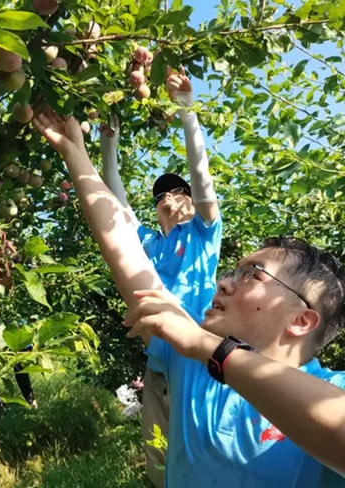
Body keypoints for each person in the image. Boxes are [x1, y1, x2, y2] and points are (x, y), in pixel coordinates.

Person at [32, 109, 345, 486]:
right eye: (232, 272)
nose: (224, 283)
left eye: (251, 275)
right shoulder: (194, 364)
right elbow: (121, 242)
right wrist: (75, 153)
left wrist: (213, 350)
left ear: (300, 319)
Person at [98, 68, 222, 487]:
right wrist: (108, 142)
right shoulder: (148, 242)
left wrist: (187, 112)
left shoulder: (205, 233)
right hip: (157, 367)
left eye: (178, 191)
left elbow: (203, 180)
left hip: (198, 358)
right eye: (161, 196)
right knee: (160, 460)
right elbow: (114, 197)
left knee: (206, 454)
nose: (169, 197)